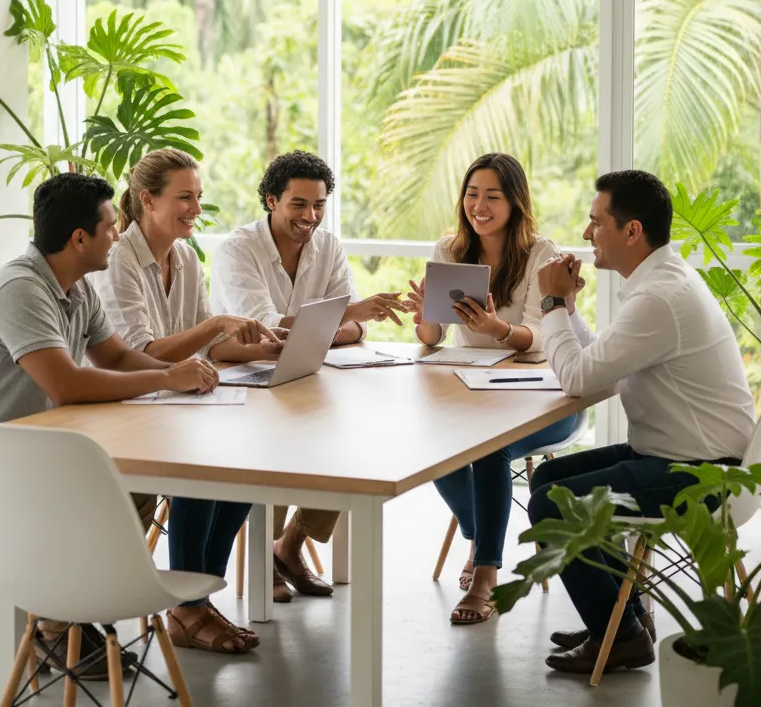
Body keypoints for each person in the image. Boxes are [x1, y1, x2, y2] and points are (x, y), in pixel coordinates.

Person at [0, 172, 221, 679]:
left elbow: (117, 356)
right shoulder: (20, 290)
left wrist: (181, 375)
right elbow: (68, 385)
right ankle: (55, 628)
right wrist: (167, 375)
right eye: (109, 227)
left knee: (136, 486)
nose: (118, 235)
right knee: (90, 492)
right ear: (79, 238)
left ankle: (78, 612)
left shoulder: (74, 287)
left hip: (26, 451)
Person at [528, 169, 756, 676]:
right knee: (546, 478)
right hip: (677, 455)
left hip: (700, 474)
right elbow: (600, 366)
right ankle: (620, 620)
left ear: (631, 231)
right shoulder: (661, 282)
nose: (586, 234)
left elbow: (578, 378)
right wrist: (566, 307)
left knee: (550, 502)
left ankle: (625, 638)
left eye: (595, 222)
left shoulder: (658, 298)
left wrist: (547, 304)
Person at [93, 148, 285, 654]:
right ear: (146, 201)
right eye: (184, 198)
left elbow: (205, 347)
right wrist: (214, 325)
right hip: (119, 406)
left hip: (169, 402)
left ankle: (193, 601)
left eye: (198, 197)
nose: (196, 209)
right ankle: (190, 611)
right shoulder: (118, 260)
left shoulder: (184, 257)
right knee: (201, 471)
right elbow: (139, 353)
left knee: (244, 472)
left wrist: (264, 347)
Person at [210, 149, 411, 602]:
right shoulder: (237, 251)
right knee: (283, 446)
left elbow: (355, 328)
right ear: (270, 201)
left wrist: (338, 322)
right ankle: (263, 555)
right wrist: (341, 318)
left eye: (319, 205)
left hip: (304, 375)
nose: (311, 216)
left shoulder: (329, 246)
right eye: (298, 204)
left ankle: (290, 545)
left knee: (353, 439)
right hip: (242, 382)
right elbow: (264, 328)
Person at [402, 152, 582, 625]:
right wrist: (424, 319)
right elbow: (434, 337)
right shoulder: (449, 249)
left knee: (487, 450)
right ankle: (483, 538)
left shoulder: (541, 253)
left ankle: (485, 571)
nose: (478, 206)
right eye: (472, 194)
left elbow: (542, 336)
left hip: (545, 395)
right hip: (472, 389)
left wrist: (499, 329)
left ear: (515, 203)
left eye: (492, 197)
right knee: (437, 447)